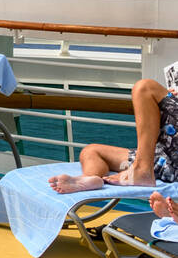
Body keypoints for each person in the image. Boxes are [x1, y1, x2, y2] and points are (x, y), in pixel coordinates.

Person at [50, 78, 178, 193]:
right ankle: (89, 179)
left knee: (145, 87)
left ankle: (142, 170)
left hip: (165, 161)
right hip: (164, 160)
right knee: (91, 151)